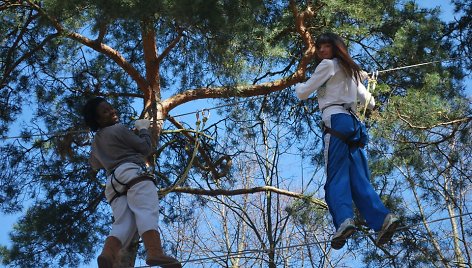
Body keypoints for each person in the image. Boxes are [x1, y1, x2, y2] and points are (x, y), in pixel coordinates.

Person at [294, 32, 399, 250]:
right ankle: (383, 220)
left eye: (326, 46)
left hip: (336, 122)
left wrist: (297, 83)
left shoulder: (328, 66)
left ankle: (343, 220)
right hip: (354, 126)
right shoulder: (351, 72)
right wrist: (366, 81)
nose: (321, 50)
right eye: (319, 47)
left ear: (335, 48)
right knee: (359, 179)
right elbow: (368, 102)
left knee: (335, 177)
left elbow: (303, 93)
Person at [82, 97, 181, 268]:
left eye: (111, 108)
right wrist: (143, 130)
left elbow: (95, 163)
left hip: (113, 184)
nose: (112, 111)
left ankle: (108, 255)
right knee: (146, 210)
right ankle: (154, 252)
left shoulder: (96, 142)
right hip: (132, 173)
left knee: (123, 224)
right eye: (106, 111)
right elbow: (145, 148)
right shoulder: (119, 128)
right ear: (98, 120)